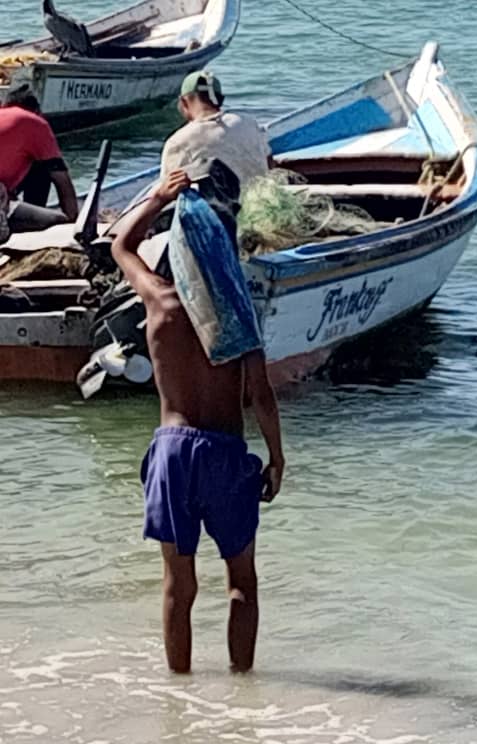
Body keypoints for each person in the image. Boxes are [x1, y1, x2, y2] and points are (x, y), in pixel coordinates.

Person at [111, 169, 285, 673]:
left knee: (177, 584)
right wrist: (276, 457)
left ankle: (180, 694)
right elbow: (261, 396)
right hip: (225, 454)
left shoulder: (158, 301)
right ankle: (242, 689)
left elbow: (122, 246)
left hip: (170, 452)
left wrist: (157, 197)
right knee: (241, 581)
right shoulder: (238, 315)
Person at [160, 71, 272, 192]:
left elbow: (169, 190)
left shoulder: (178, 142)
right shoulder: (249, 123)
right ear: (221, 99)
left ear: (183, 103)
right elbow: (269, 163)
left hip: (222, 209)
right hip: (261, 203)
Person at [0, 84, 79, 239]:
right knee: (58, 222)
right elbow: (62, 181)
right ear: (37, 111)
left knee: (38, 165)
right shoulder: (35, 122)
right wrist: (73, 224)